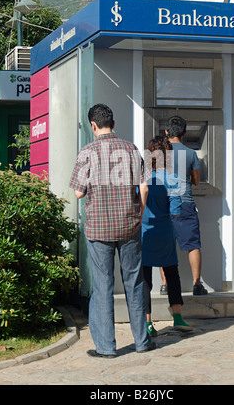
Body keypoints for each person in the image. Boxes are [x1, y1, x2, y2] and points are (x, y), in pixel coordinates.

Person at [69, 103, 155, 358]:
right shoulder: (130, 149)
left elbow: (77, 192)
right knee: (135, 282)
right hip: (129, 226)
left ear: (92, 126)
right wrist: (138, 216)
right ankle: (142, 341)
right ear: (113, 124)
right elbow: (145, 187)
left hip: (99, 230)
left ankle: (106, 348)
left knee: (103, 285)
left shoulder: (87, 152)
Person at [141, 136, 193, 336]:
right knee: (172, 274)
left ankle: (147, 323)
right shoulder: (173, 179)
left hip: (146, 232)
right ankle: (178, 318)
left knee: (145, 278)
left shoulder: (144, 177)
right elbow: (176, 211)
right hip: (165, 232)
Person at [165, 116, 208, 296]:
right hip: (185, 203)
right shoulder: (191, 153)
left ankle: (164, 284)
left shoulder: (161, 153)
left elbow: (158, 180)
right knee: (193, 245)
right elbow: (196, 181)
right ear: (184, 133)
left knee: (166, 245)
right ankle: (197, 284)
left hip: (165, 204)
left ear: (166, 132)